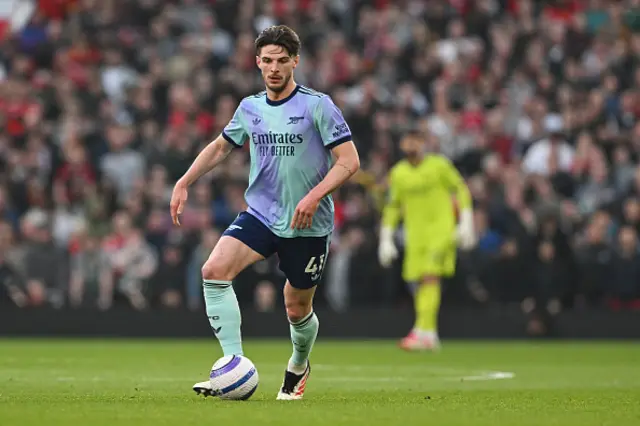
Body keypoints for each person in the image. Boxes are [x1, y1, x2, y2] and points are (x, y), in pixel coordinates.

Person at [169, 25, 359, 400]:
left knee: (296, 306)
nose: (274, 68)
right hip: (261, 214)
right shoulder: (250, 108)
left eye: (282, 61)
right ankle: (233, 366)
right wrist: (184, 181)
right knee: (214, 270)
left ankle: (299, 364)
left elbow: (349, 161)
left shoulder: (317, 106)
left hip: (308, 222)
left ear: (295, 62)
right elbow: (222, 147)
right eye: (267, 61)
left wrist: (313, 197)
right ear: (257, 62)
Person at [378, 131, 475, 351]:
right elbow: (393, 207)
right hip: (415, 236)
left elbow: (459, 189)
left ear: (423, 143)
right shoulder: (399, 173)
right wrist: (386, 238)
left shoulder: (439, 165)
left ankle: (421, 331)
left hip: (441, 231)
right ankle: (429, 334)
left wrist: (466, 221)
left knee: (430, 277)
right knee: (419, 283)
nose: (411, 144)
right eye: (407, 139)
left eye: (416, 140)